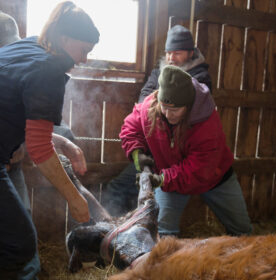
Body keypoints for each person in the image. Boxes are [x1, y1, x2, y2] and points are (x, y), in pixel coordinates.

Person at [0, 2, 99, 279]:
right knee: (20, 244)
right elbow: (39, 149)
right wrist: (75, 199)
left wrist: (63, 143)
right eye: (84, 51)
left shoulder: (32, 45)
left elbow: (18, 117)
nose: (84, 60)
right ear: (65, 39)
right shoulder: (50, 71)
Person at [119, 65, 252, 237]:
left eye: (175, 110)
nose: (168, 114)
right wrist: (137, 154)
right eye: (164, 107)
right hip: (169, 181)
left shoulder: (206, 123)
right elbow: (131, 127)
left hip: (215, 178)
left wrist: (161, 179)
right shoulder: (150, 108)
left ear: (188, 106)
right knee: (163, 232)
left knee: (242, 230)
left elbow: (199, 168)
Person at [102, 25, 211, 216]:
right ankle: (116, 232)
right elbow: (145, 98)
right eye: (168, 53)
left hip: (178, 158)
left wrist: (157, 108)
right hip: (153, 150)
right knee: (117, 189)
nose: (171, 58)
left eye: (177, 53)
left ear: (190, 53)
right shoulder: (159, 71)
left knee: (162, 208)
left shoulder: (200, 79)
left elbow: (179, 115)